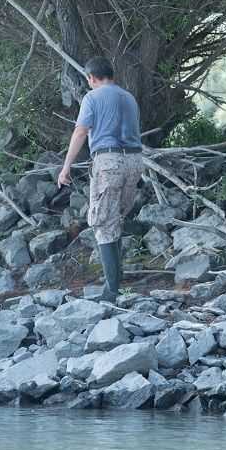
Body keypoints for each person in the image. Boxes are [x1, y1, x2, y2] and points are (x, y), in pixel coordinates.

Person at [58, 56, 144, 302]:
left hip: (109, 162)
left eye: (89, 80)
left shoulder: (92, 97)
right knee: (116, 217)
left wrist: (66, 168)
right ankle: (118, 280)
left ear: (91, 78)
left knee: (102, 221)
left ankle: (112, 291)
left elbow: (81, 131)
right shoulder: (129, 98)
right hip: (135, 161)